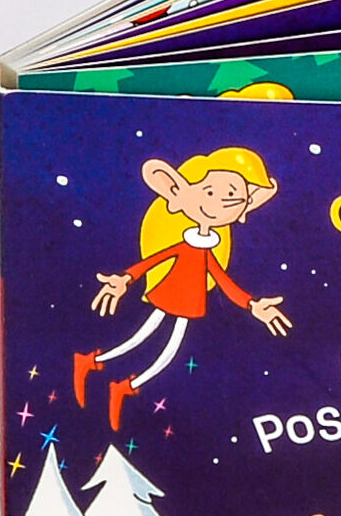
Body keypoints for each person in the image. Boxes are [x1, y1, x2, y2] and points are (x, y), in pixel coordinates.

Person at [80, 145, 293, 435]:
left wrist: (252, 305)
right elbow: (152, 261)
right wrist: (125, 279)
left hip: (190, 299)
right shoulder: (183, 243)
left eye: (234, 196)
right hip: (170, 292)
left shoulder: (210, 251)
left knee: (168, 350)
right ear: (177, 194)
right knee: (141, 337)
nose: (223, 201)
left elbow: (223, 282)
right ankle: (92, 362)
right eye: (210, 192)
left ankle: (124, 385)